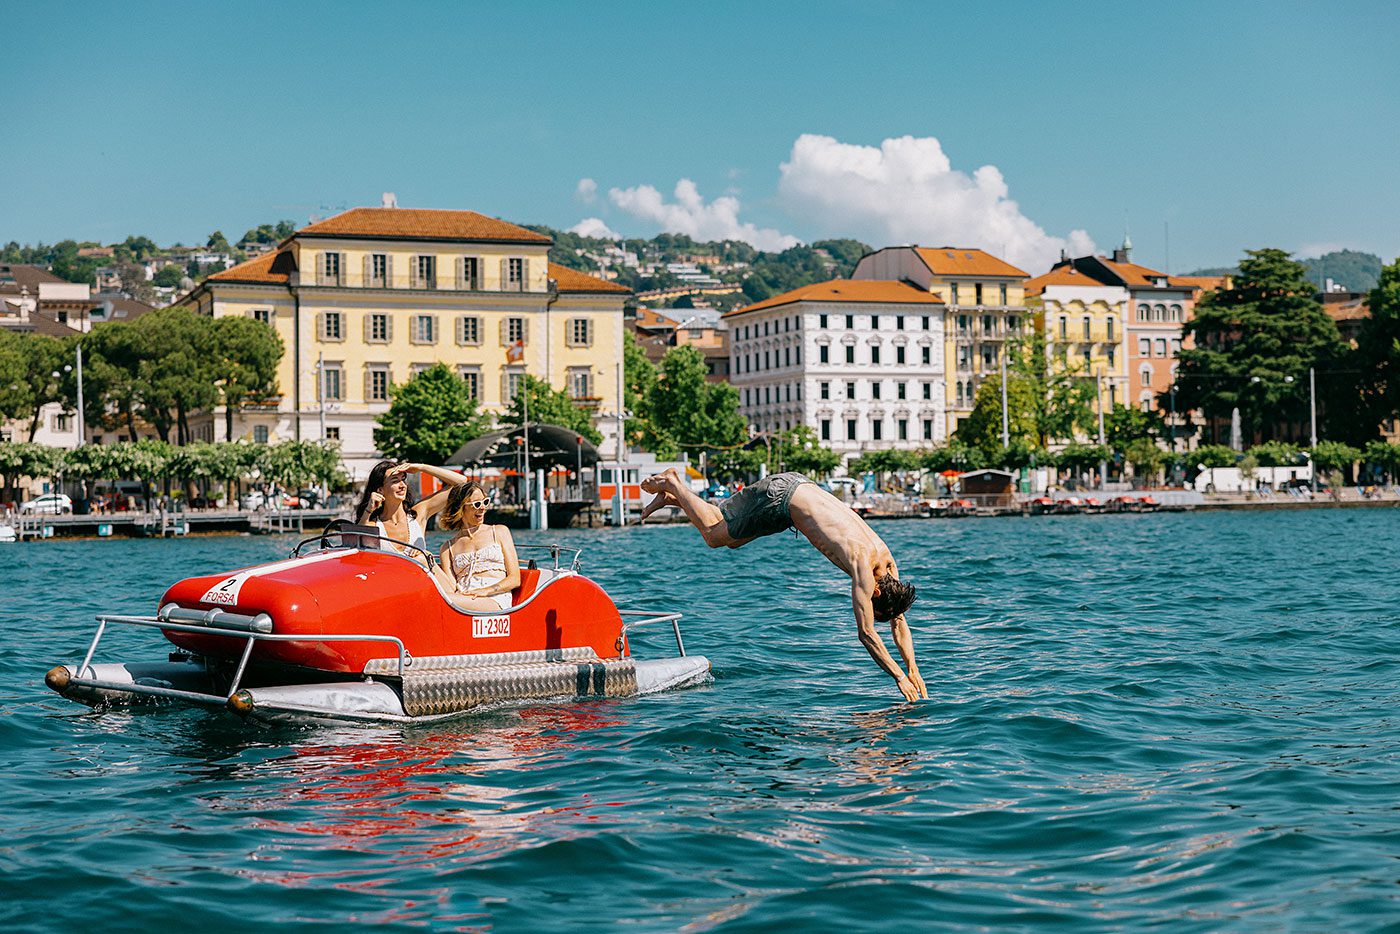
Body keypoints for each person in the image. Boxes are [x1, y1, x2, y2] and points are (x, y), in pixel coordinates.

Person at [639, 468, 926, 701]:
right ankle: (674, 484)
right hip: (781, 499)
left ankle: (675, 498)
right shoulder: (863, 566)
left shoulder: (888, 566)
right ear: (875, 592)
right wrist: (899, 677)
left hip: (796, 493)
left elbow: (898, 621)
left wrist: (913, 667)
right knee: (714, 537)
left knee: (732, 538)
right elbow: (866, 633)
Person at [353, 460, 467, 565]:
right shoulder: (374, 525)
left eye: (403, 479)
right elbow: (358, 546)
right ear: (380, 490)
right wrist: (368, 510)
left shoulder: (417, 515)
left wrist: (422, 467)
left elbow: (461, 482)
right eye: (395, 481)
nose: (402, 485)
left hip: (423, 584)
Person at [433, 481, 522, 612]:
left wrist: (485, 591)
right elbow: (450, 587)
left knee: (439, 599)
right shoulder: (447, 548)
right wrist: (426, 561)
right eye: (477, 504)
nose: (483, 508)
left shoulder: (499, 532)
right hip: (461, 598)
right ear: (461, 508)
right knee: (435, 596)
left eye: (485, 502)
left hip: (494, 598)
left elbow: (515, 579)